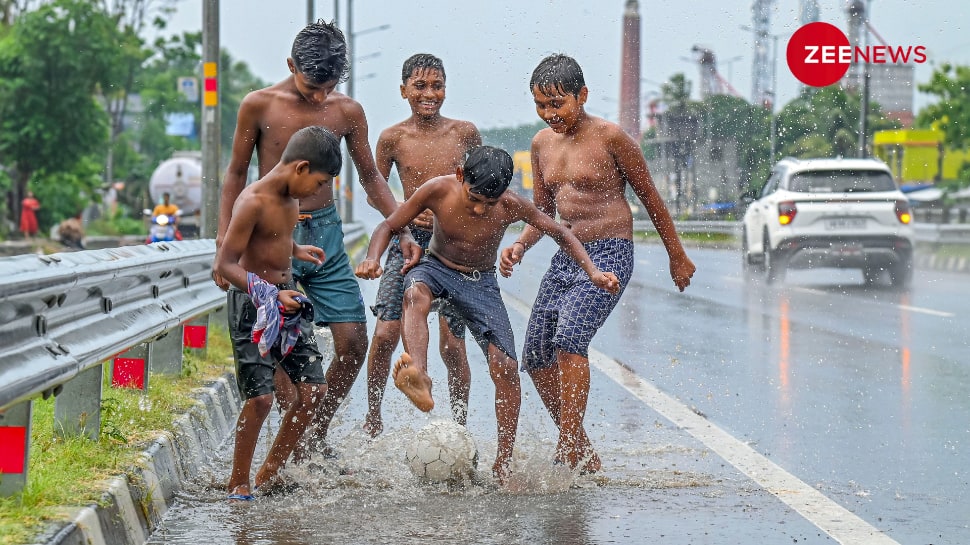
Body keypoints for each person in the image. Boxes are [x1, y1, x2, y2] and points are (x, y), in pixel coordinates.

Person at [214, 20, 419, 460]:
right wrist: (222, 243)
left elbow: (371, 180)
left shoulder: (348, 112)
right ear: (291, 66)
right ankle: (294, 451)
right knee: (280, 343)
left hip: (324, 233)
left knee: (353, 343)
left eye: (328, 87)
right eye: (312, 87)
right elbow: (234, 173)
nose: (320, 97)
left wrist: (400, 227)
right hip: (269, 236)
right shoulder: (259, 105)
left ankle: (311, 433)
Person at [355, 145, 620, 482]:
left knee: (507, 367)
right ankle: (419, 374)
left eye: (489, 203)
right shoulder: (438, 189)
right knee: (414, 293)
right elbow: (389, 226)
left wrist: (593, 271)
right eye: (474, 198)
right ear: (461, 176)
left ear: (504, 194)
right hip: (435, 268)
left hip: (480, 282)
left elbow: (560, 232)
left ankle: (503, 461)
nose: (480, 209)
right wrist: (373, 258)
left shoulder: (511, 205)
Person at [500, 54, 697, 473]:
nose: (551, 114)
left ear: (582, 96)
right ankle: (582, 449)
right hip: (566, 254)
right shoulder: (540, 144)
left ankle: (568, 442)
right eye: (542, 105)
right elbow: (542, 211)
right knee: (535, 354)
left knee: (570, 338)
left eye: (559, 104)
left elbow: (650, 199)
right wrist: (520, 244)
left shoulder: (611, 138)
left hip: (610, 251)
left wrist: (676, 255)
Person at [214, 125, 339, 501]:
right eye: (319, 183)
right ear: (301, 168)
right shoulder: (253, 200)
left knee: (314, 390)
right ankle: (238, 480)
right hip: (254, 307)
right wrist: (269, 292)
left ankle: (271, 470)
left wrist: (296, 251)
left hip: (289, 302)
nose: (319, 192)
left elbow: (272, 240)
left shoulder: (290, 198)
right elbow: (226, 263)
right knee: (261, 399)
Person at [363, 53, 481, 437]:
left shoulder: (464, 132)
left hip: (452, 245)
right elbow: (374, 188)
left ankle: (459, 424)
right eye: (420, 86)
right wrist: (403, 221)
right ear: (403, 91)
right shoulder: (393, 138)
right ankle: (373, 417)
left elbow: (481, 184)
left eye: (437, 86)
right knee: (384, 335)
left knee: (452, 342)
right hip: (409, 239)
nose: (429, 94)